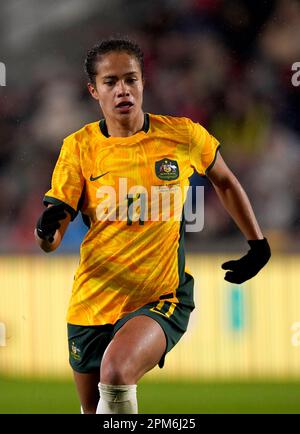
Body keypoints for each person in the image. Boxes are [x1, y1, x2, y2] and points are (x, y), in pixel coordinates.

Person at [34, 38, 271, 414]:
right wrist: (46, 233)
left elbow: (224, 180)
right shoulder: (79, 147)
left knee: (115, 372)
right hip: (92, 302)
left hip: (162, 296)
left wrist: (257, 244)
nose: (123, 89)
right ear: (94, 90)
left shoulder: (183, 135)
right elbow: (54, 229)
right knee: (96, 411)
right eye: (111, 82)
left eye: (131, 79)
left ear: (144, 82)